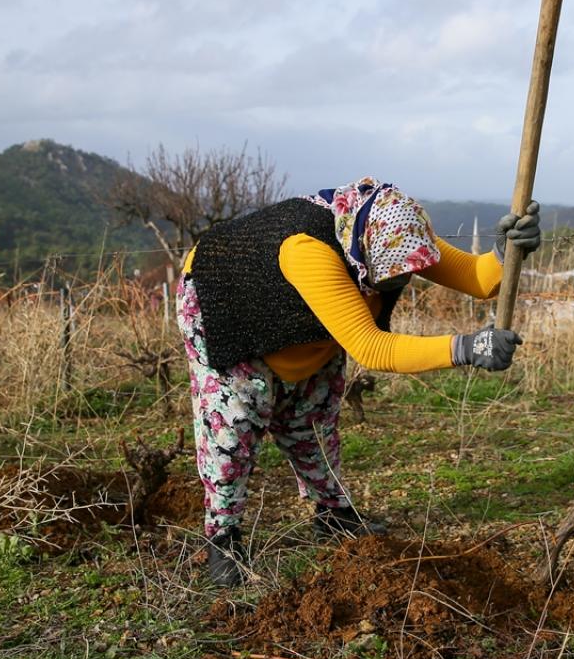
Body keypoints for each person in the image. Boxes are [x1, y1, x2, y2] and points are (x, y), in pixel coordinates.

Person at [177, 176, 540, 586]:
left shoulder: (399, 232)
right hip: (226, 304)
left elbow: (478, 279)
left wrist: (506, 251)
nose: (399, 286)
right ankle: (223, 536)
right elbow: (372, 348)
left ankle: (332, 515)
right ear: (363, 256)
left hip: (305, 319)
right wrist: (466, 348)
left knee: (314, 414)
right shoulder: (309, 253)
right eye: (387, 281)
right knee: (234, 425)